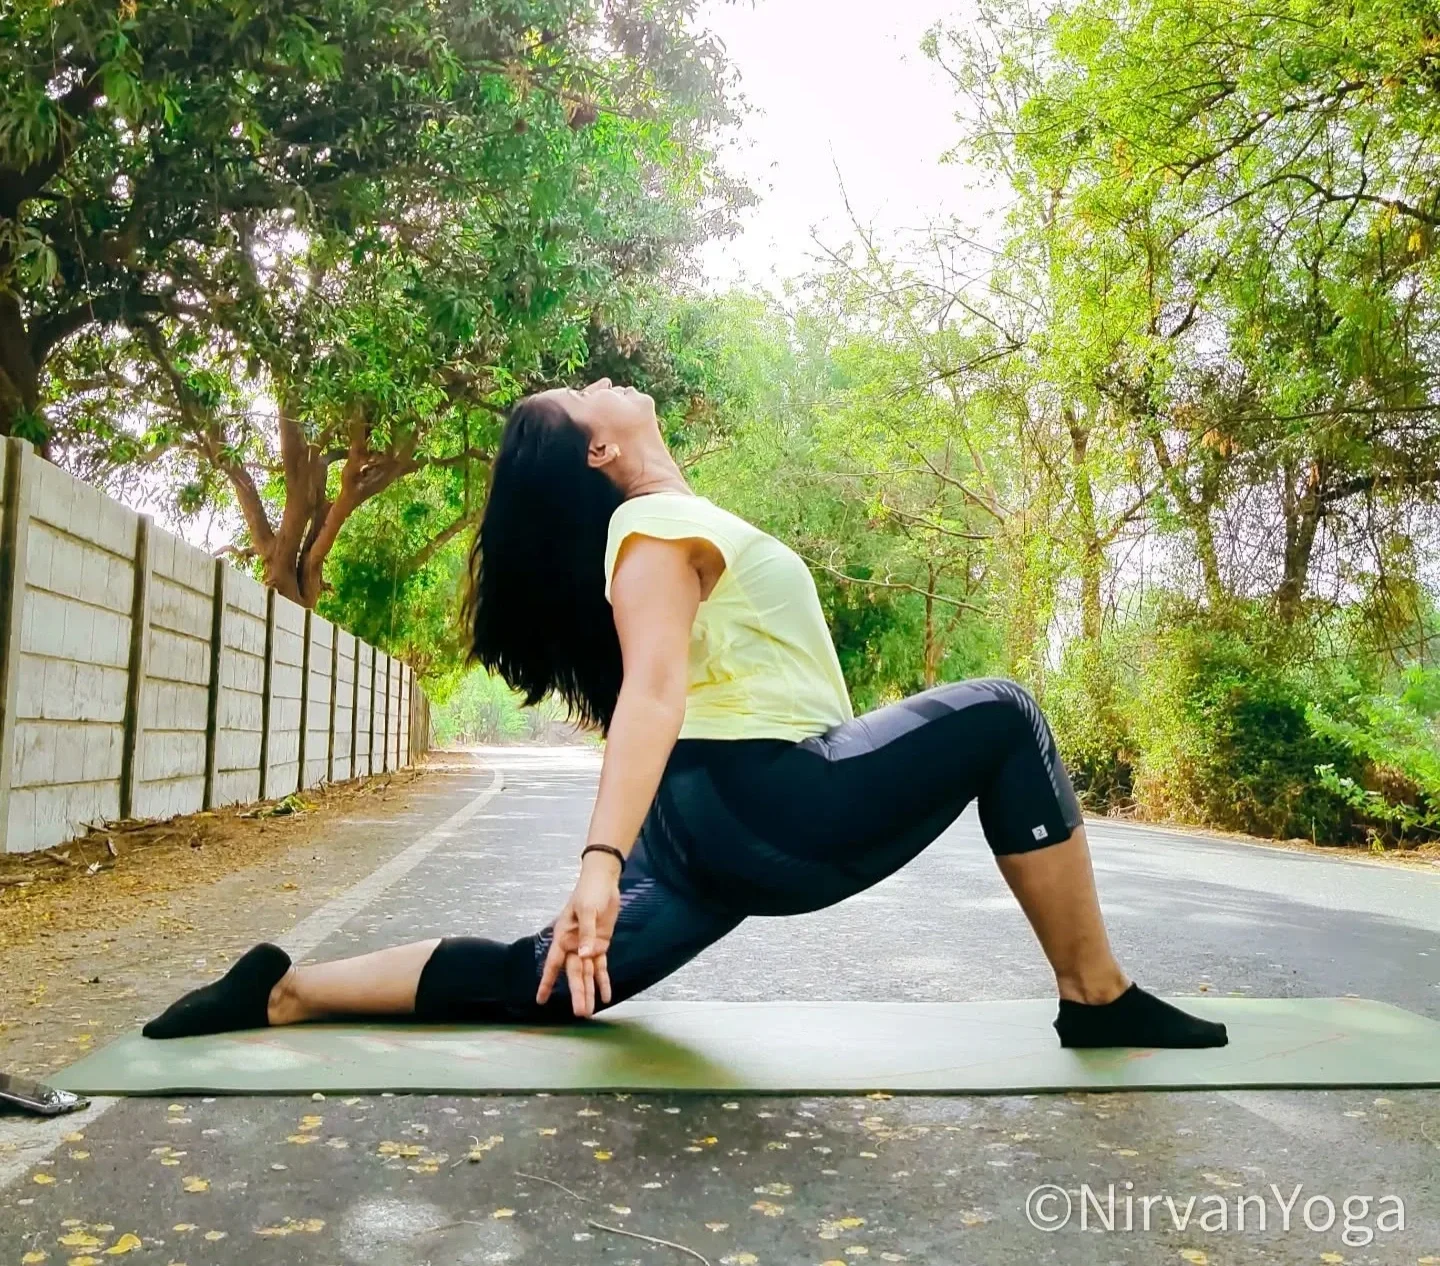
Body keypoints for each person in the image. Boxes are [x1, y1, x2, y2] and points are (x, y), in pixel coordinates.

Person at [145, 379, 1226, 1050]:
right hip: (766, 795)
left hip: (713, 822)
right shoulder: (653, 527)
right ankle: (1096, 995)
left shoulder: (667, 523)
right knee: (1005, 712)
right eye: (585, 393)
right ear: (598, 452)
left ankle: (285, 991)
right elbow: (653, 691)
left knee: (544, 978)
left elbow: (668, 690)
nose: (604, 378)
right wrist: (599, 862)